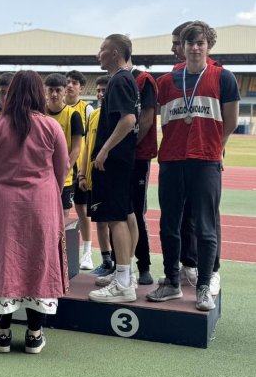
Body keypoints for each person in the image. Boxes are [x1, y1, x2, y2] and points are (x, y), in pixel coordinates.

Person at [0, 70, 70, 354]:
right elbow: (62, 168)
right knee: (39, 259)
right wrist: (50, 189)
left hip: (3, 203)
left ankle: (2, 332)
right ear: (40, 93)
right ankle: (34, 334)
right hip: (41, 203)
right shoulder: (51, 126)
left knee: (4, 259)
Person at [147, 21, 239, 311]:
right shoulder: (165, 82)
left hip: (205, 161)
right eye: (190, 43)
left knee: (205, 226)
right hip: (172, 160)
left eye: (200, 43)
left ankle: (203, 287)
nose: (195, 48)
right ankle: (172, 282)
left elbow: (231, 121)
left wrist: (214, 147)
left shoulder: (224, 78)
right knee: (169, 225)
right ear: (183, 47)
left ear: (208, 46)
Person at [171, 21, 223, 296]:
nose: (173, 49)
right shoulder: (176, 74)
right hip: (182, 156)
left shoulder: (216, 72)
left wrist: (218, 150)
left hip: (207, 156)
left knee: (207, 217)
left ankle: (212, 270)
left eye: (175, 44)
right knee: (186, 215)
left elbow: (225, 117)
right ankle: (189, 263)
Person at [88, 35, 140, 304]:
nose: (98, 54)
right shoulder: (127, 79)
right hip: (123, 161)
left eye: (102, 50)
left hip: (114, 162)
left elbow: (128, 120)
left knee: (116, 218)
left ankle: (123, 284)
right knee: (126, 215)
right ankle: (125, 273)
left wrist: (105, 149)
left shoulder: (119, 80)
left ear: (116, 53)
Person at [78, 76, 112, 274]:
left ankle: (119, 263)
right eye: (98, 90)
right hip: (93, 179)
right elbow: (87, 147)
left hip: (110, 177)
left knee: (114, 223)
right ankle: (106, 261)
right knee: (99, 221)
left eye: (104, 90)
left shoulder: (116, 116)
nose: (100, 94)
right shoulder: (94, 115)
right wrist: (82, 174)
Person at [129, 65, 158, 285]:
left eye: (102, 50)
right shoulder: (116, 81)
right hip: (119, 158)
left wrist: (128, 148)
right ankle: (119, 266)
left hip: (137, 156)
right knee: (117, 213)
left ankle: (144, 266)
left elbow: (147, 119)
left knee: (136, 212)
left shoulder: (144, 80)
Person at [65, 70, 94, 269]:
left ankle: (87, 253)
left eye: (74, 83)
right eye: (67, 82)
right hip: (61, 169)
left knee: (83, 210)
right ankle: (63, 250)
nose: (69, 85)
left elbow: (90, 140)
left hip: (80, 169)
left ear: (81, 88)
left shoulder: (87, 110)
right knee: (62, 212)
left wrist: (85, 169)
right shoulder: (56, 107)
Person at [44, 73, 84, 222]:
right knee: (42, 215)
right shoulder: (39, 113)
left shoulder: (73, 116)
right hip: (42, 175)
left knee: (62, 218)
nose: (54, 94)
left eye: (58, 90)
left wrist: (64, 169)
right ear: (45, 91)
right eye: (51, 90)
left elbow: (76, 149)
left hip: (65, 178)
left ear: (64, 91)